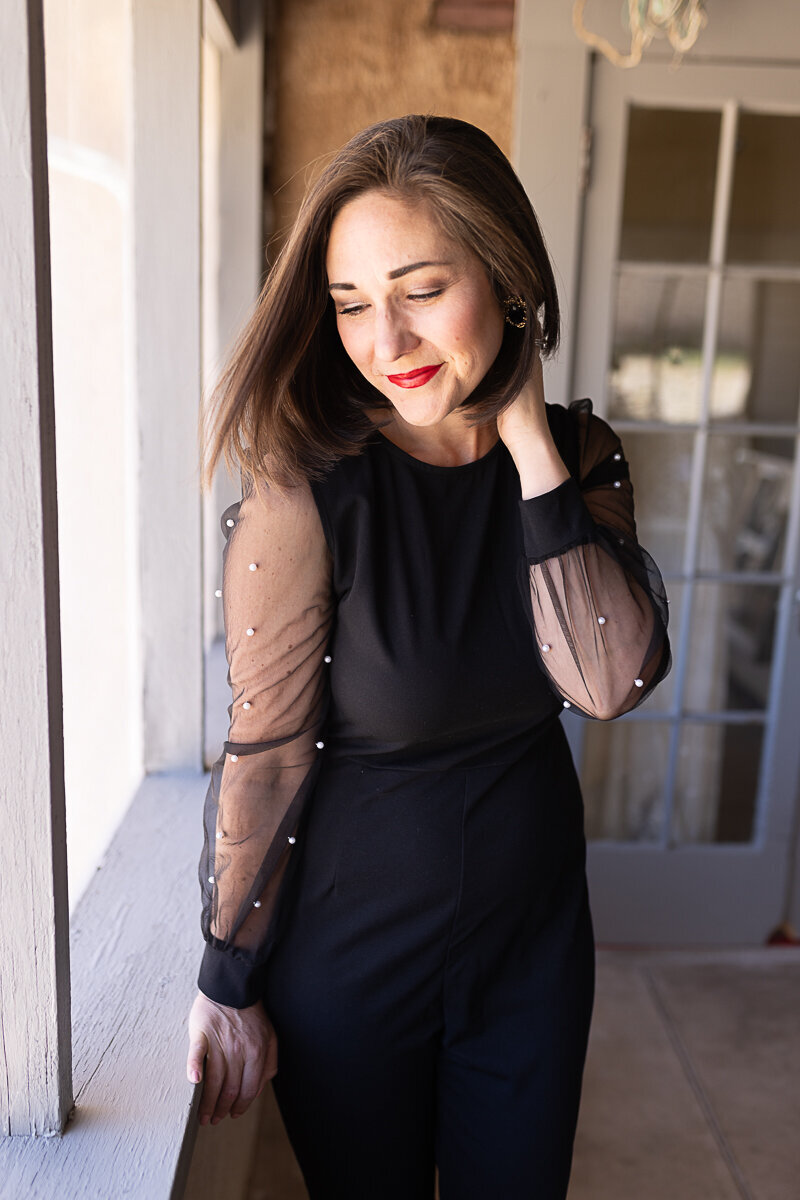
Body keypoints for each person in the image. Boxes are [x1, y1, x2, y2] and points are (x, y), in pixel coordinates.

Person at [185, 114, 670, 1199]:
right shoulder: (306, 489)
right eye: (351, 304)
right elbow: (262, 751)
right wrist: (226, 977)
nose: (384, 340)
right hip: (350, 964)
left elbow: (607, 683)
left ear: (503, 280)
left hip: (530, 950)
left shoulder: (578, 456)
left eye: (418, 289)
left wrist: (530, 445)